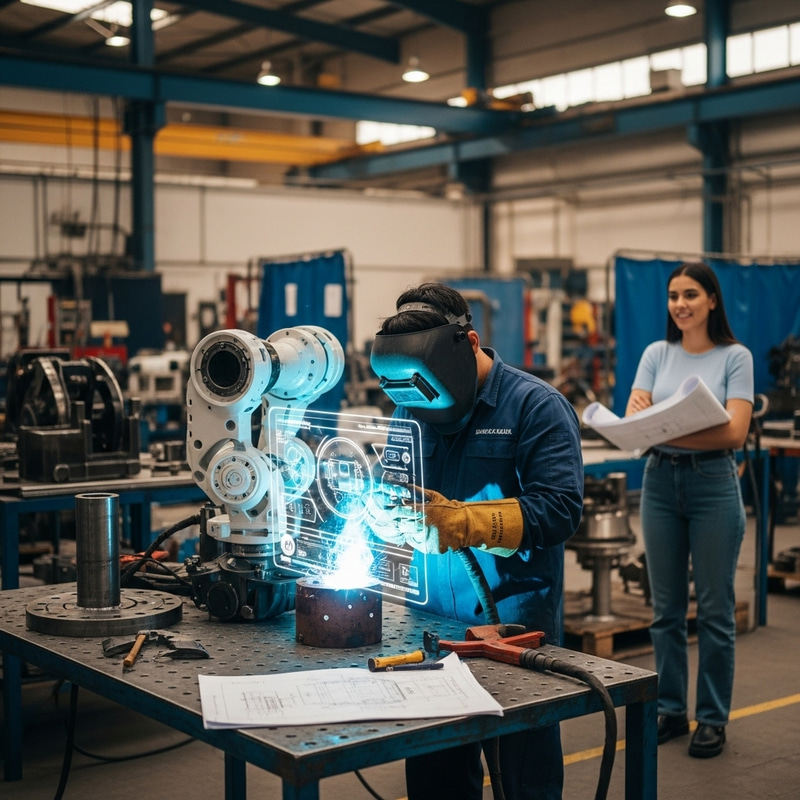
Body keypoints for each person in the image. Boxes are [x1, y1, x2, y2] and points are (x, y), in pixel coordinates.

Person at [368, 282, 584, 800]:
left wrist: (465, 522)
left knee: (524, 782)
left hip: (511, 630)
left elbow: (559, 510)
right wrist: (379, 508)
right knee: (437, 781)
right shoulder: (409, 410)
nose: (418, 403)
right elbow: (392, 484)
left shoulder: (537, 407)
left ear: (469, 345)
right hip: (429, 630)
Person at [625, 261, 753, 759]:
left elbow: (735, 433)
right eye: (674, 295)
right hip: (660, 480)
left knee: (717, 611)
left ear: (712, 301)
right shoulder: (658, 353)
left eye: (691, 294)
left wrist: (666, 426)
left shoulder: (734, 357)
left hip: (714, 483)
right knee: (666, 611)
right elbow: (638, 416)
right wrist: (668, 428)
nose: (680, 303)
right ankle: (672, 710)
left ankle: (713, 718)